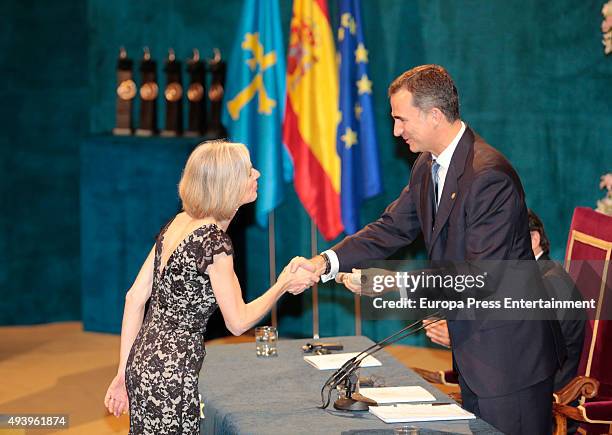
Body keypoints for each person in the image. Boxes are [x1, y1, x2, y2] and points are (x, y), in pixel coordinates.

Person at [291, 65, 564, 434]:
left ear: (434, 115)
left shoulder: (489, 176)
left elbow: (479, 276)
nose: (396, 131)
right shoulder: (427, 165)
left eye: (401, 119)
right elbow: (391, 229)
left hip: (508, 357)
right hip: (475, 352)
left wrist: (393, 286)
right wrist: (325, 262)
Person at [103, 141, 317, 435]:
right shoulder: (214, 243)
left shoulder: (178, 223)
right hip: (173, 373)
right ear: (226, 184)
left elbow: (134, 298)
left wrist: (123, 373)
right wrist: (282, 284)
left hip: (143, 362)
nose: (257, 174)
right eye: (247, 171)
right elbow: (238, 321)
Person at [420, 209, 585, 393]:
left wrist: (462, 340)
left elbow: (522, 348)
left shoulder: (549, 283)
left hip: (541, 392)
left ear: (533, 240)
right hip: (520, 380)